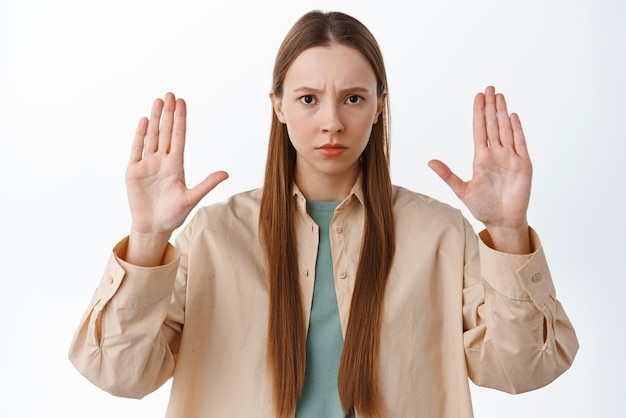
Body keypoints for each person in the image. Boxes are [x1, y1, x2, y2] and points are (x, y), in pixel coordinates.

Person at [69, 10, 578, 418]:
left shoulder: (440, 234)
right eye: (308, 98)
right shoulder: (213, 235)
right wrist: (147, 236)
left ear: (380, 105)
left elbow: (522, 372)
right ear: (278, 105)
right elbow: (119, 373)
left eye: (353, 98)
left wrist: (508, 232)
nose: (332, 121)